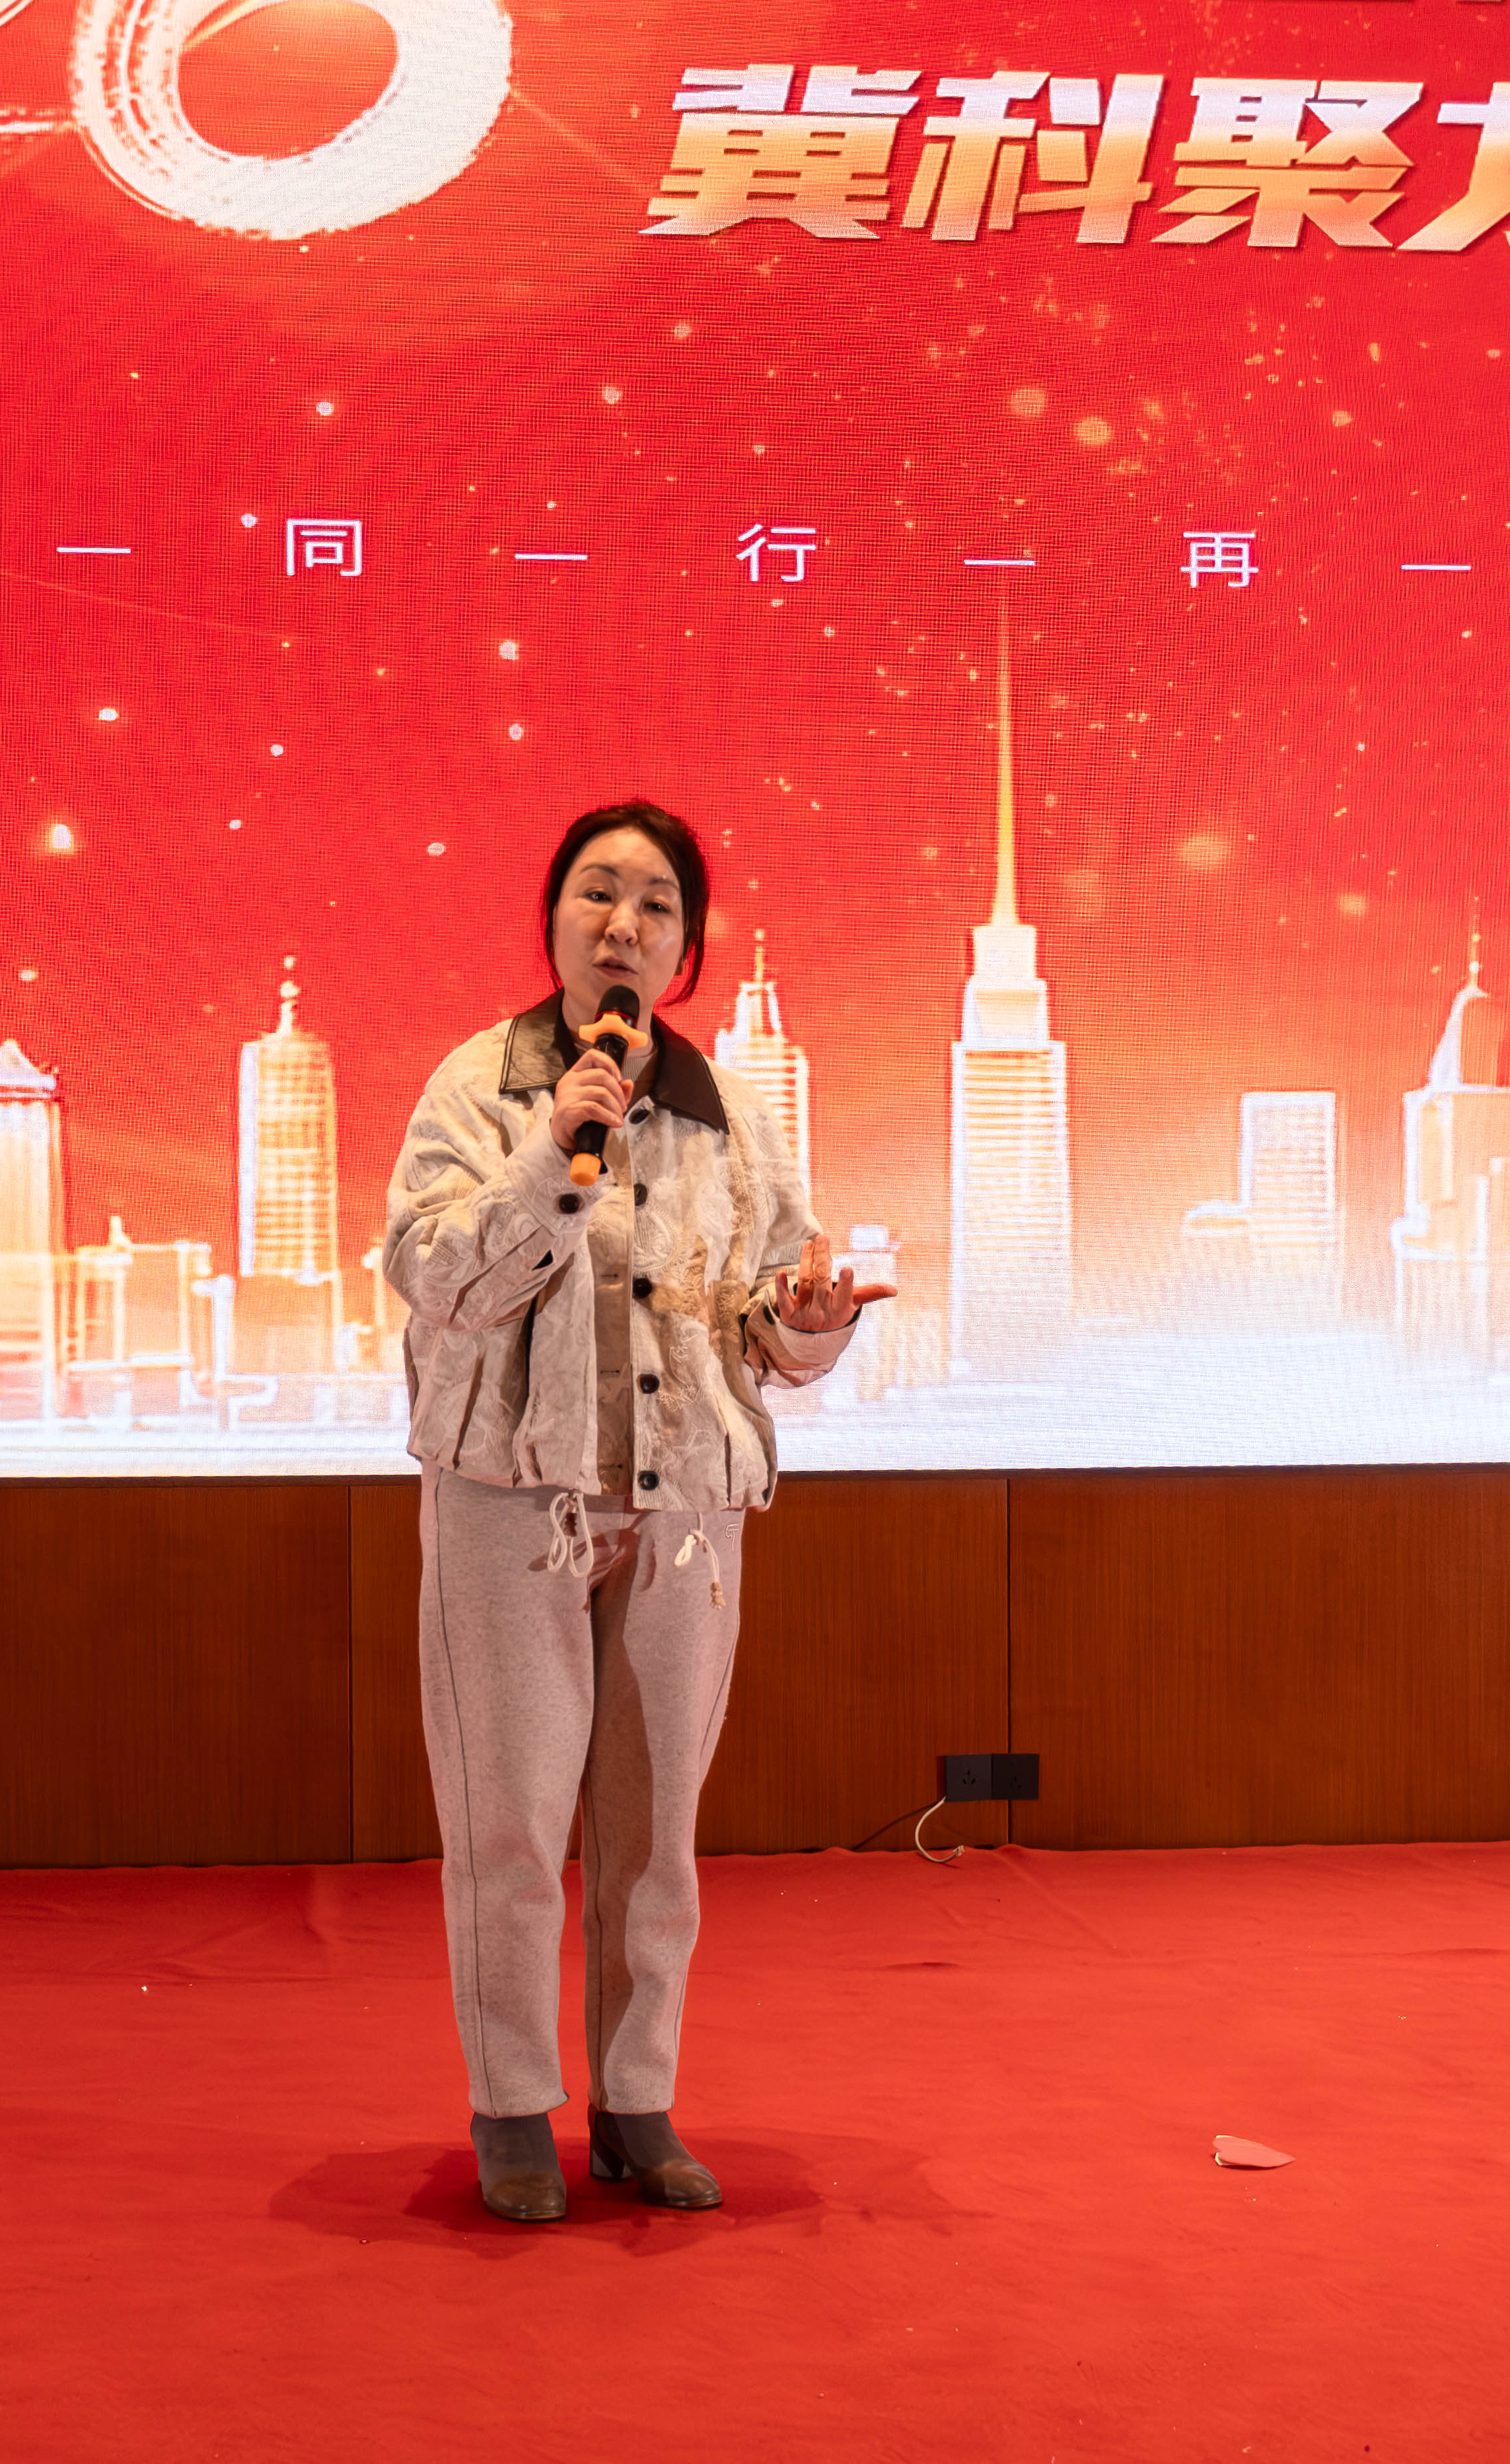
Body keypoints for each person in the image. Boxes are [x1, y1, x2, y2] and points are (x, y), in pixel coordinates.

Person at [378, 799, 888, 2224]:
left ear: (686, 947)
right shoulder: (478, 1086)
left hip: (683, 1519)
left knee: (653, 1834)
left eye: (656, 903)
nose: (623, 923)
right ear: (551, 921)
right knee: (510, 1824)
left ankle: (635, 2101)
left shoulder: (731, 1114)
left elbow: (761, 1322)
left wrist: (810, 1321)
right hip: (510, 1507)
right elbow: (435, 1277)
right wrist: (553, 1151)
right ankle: (510, 2107)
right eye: (596, 893)